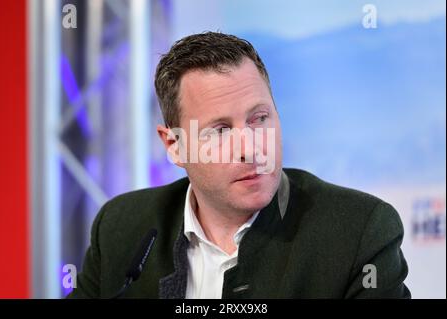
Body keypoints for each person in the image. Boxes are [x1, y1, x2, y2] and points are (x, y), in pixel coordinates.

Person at [68, 32, 410, 299]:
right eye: (220, 131)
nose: (251, 148)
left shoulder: (359, 232)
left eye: (259, 118)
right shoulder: (120, 230)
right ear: (174, 145)